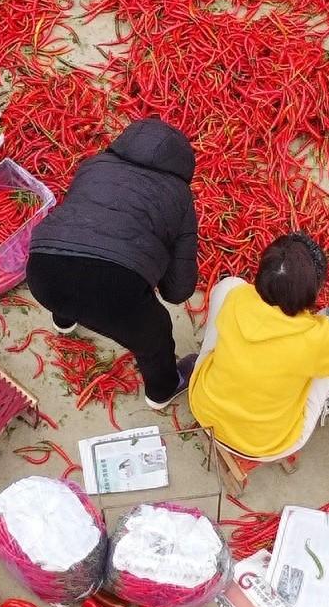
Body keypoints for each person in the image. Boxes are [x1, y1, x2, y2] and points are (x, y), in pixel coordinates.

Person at [26, 119, 200, 409]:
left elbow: (77, 215)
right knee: (155, 336)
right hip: (114, 289)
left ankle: (64, 319)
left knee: (70, 263)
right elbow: (178, 289)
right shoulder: (180, 196)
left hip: (42, 270)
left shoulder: (94, 165)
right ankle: (163, 390)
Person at [187, 235, 329, 462]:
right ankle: (326, 400)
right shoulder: (317, 339)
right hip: (265, 444)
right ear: (312, 292)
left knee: (227, 285)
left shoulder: (238, 297)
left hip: (205, 409)